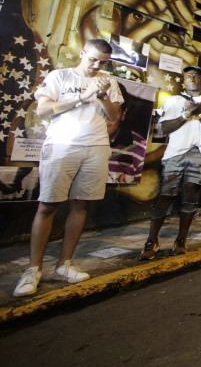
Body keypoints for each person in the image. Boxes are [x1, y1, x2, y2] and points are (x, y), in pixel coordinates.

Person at [14, 39, 123, 297]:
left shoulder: (109, 81)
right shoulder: (59, 76)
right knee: (48, 205)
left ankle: (64, 264)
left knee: (80, 204)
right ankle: (33, 269)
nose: (97, 66)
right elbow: (42, 111)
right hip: (62, 145)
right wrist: (81, 97)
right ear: (83, 53)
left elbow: (113, 116)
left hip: (95, 147)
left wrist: (102, 94)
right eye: (93, 59)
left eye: (103, 62)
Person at [138, 65, 201, 260]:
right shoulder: (173, 100)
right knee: (165, 195)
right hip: (175, 153)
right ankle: (152, 240)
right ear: (183, 81)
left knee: (191, 195)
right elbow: (166, 128)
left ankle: (181, 239)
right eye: (188, 76)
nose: (192, 79)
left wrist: (200, 113)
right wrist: (186, 114)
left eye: (196, 75)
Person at [107, 82, 148, 185]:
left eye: (112, 113)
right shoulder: (76, 140)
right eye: (100, 111)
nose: (104, 119)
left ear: (123, 114)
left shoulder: (140, 149)